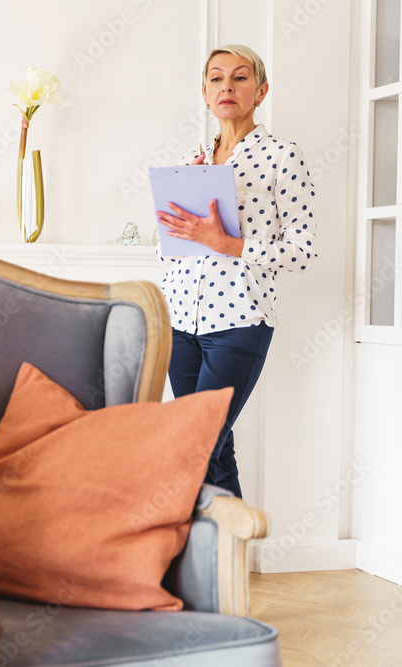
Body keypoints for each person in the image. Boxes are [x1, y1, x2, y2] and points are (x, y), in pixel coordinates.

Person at [155, 44, 316, 497]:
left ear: (260, 92)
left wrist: (227, 244)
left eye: (241, 77)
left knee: (197, 442)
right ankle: (227, 562)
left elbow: (302, 252)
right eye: (217, 78)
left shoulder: (283, 156)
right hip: (181, 324)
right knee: (213, 448)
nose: (227, 86)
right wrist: (172, 234)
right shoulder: (189, 165)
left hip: (240, 321)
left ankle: (192, 558)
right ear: (204, 94)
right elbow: (167, 254)